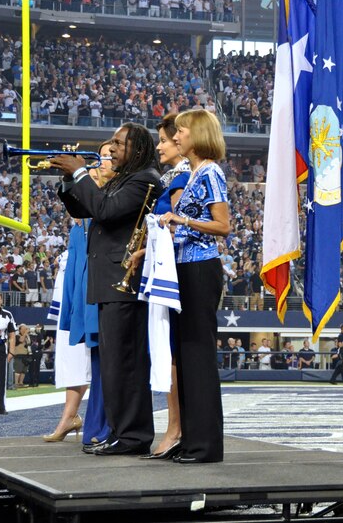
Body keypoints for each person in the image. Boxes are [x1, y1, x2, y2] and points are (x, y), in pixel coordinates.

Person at [52, 122, 161, 455]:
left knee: (125, 364)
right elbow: (83, 209)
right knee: (114, 366)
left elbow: (104, 209)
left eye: (118, 143)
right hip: (109, 284)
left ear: (137, 149)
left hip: (123, 284)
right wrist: (70, 178)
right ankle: (120, 432)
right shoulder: (125, 179)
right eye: (111, 142)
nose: (111, 149)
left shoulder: (145, 179)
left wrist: (82, 173)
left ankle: (133, 437)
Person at [158, 109, 230, 464]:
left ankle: (206, 445)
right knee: (186, 357)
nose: (176, 137)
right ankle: (191, 441)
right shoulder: (196, 173)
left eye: (181, 131)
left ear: (197, 134)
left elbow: (223, 225)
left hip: (201, 268)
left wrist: (180, 219)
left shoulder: (211, 172)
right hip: (186, 268)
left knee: (198, 356)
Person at [140, 112, 190, 460]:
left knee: (171, 352)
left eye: (163, 140)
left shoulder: (181, 176)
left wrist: (147, 246)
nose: (158, 146)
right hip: (164, 266)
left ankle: (175, 427)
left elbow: (175, 228)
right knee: (169, 352)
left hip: (173, 271)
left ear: (178, 140)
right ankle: (175, 425)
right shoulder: (174, 174)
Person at [11, 324, 31, 390]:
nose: (25, 330)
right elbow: (21, 340)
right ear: (20, 329)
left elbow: (29, 343)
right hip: (18, 355)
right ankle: (16, 383)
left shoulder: (27, 336)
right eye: (24, 329)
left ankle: (21, 383)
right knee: (18, 370)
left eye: (26, 329)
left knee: (23, 371)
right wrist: (25, 333)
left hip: (26, 355)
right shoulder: (17, 336)